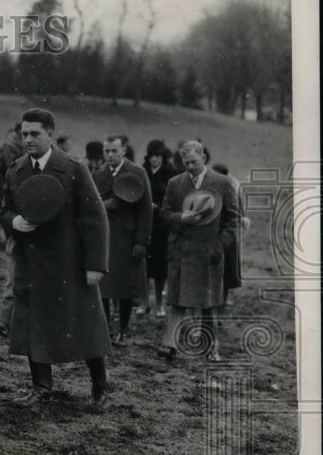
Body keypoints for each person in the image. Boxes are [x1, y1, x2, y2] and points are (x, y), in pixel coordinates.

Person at [0, 108, 111, 409]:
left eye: (35, 133)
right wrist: (14, 222)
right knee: (33, 325)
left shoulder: (73, 169)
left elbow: (95, 217)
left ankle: (100, 384)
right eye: (24, 134)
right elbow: (5, 209)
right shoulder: (16, 170)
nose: (28, 139)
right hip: (31, 263)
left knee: (84, 324)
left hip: (68, 263)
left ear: (50, 134)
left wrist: (95, 265)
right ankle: (41, 387)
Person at [156, 141, 240, 363]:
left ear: (203, 157)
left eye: (194, 161)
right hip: (181, 250)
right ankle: (169, 344)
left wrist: (220, 244)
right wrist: (180, 218)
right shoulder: (175, 183)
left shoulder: (222, 182)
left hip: (208, 252)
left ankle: (212, 346)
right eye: (186, 163)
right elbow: (164, 215)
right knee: (175, 299)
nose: (190, 167)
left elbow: (232, 219)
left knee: (208, 302)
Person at [92, 136, 153, 345]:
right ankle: (105, 327)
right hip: (104, 237)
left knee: (126, 286)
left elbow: (145, 210)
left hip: (128, 239)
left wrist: (142, 241)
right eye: (106, 151)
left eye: (114, 151)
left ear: (123, 151)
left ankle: (124, 329)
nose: (110, 155)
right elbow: (92, 204)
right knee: (104, 285)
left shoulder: (137, 172)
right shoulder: (98, 173)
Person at [140, 140, 176, 317]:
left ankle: (160, 304)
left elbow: (172, 197)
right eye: (152, 156)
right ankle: (145, 301)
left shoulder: (170, 173)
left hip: (161, 225)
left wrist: (159, 206)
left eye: (158, 156)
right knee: (144, 262)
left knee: (160, 266)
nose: (154, 160)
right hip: (145, 222)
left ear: (163, 157)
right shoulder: (143, 171)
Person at [210, 162, 248, 307]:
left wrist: (226, 237)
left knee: (226, 272)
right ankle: (216, 301)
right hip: (214, 235)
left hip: (227, 237)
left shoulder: (231, 189)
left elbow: (236, 213)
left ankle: (223, 301)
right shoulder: (209, 190)